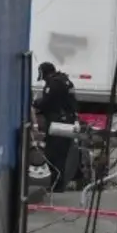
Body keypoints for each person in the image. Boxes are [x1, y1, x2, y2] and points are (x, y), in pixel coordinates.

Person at [32, 62, 78, 193]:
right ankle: (58, 184)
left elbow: (47, 102)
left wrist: (35, 103)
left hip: (58, 123)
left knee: (53, 154)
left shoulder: (53, 84)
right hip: (67, 122)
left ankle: (56, 185)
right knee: (61, 155)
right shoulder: (65, 81)